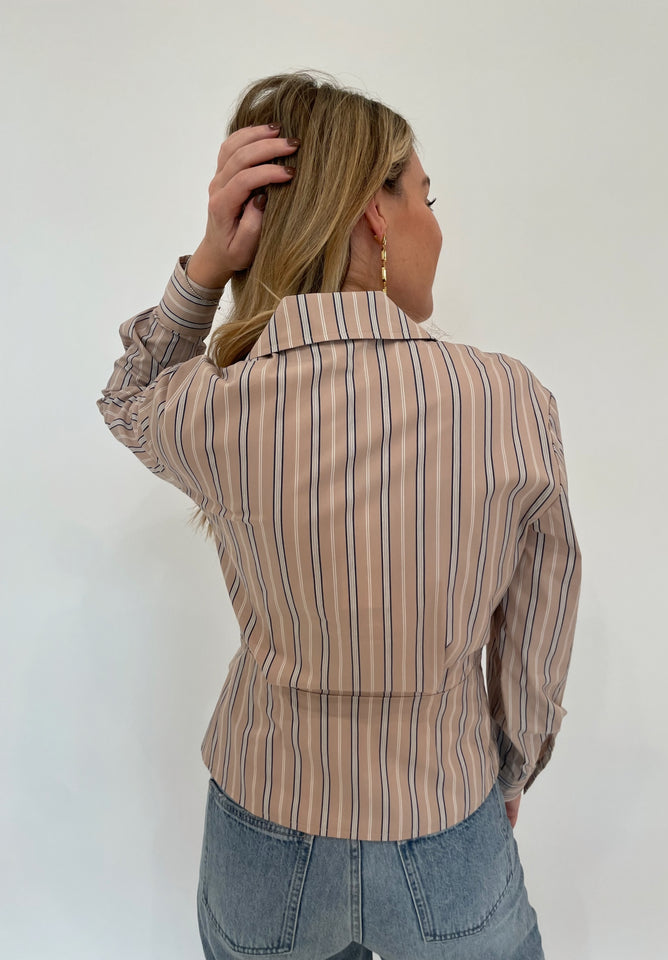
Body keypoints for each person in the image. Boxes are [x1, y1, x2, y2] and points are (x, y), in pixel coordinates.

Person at [98, 71, 581, 960]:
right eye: (424, 197)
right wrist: (512, 767)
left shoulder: (218, 405)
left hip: (262, 830)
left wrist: (208, 266)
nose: (437, 223)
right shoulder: (510, 400)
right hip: (444, 821)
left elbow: (127, 397)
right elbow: (536, 626)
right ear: (374, 214)